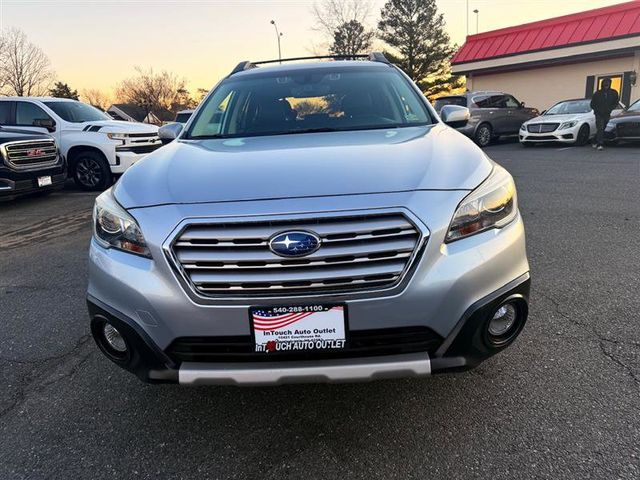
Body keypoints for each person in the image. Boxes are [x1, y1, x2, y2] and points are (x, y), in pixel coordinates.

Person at [590, 79, 619, 150]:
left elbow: (615, 102)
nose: (606, 85)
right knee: (600, 127)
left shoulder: (614, 93)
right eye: (605, 84)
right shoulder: (597, 93)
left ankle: (594, 140)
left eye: (608, 83)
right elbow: (592, 104)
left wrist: (610, 109)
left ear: (610, 84)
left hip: (607, 113)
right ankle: (600, 144)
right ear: (602, 84)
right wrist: (597, 110)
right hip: (598, 114)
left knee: (603, 128)